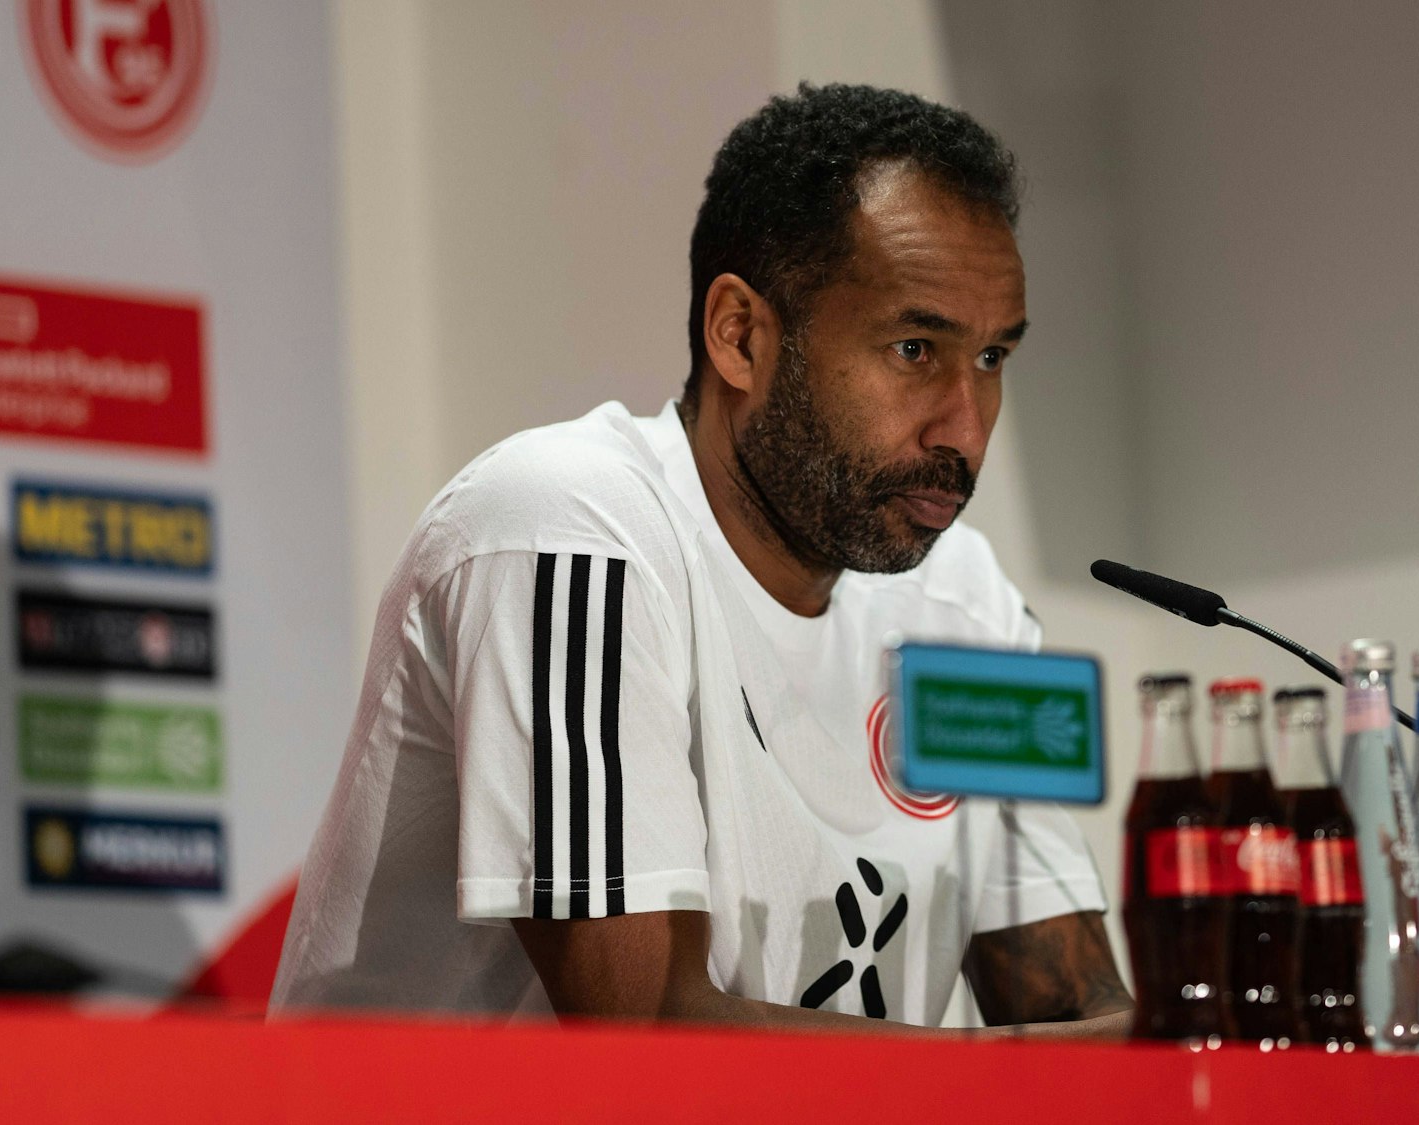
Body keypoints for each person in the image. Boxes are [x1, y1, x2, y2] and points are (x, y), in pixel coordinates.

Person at [270, 84, 1130, 1035]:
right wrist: (1024, 1072)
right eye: (914, 346)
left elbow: (1086, 1015)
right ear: (741, 334)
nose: (965, 427)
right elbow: (650, 1043)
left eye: (993, 358)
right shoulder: (566, 528)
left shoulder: (966, 604)